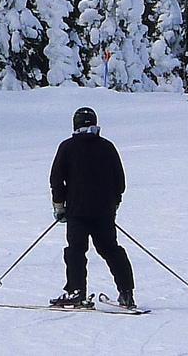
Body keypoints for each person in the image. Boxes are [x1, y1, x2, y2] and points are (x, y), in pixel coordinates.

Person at [49, 107, 136, 309]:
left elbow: (56, 179)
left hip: (77, 212)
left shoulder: (67, 147)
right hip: (103, 212)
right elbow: (119, 181)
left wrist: (59, 206)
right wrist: (114, 203)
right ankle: (127, 293)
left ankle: (76, 292)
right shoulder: (107, 146)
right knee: (111, 250)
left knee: (76, 251)